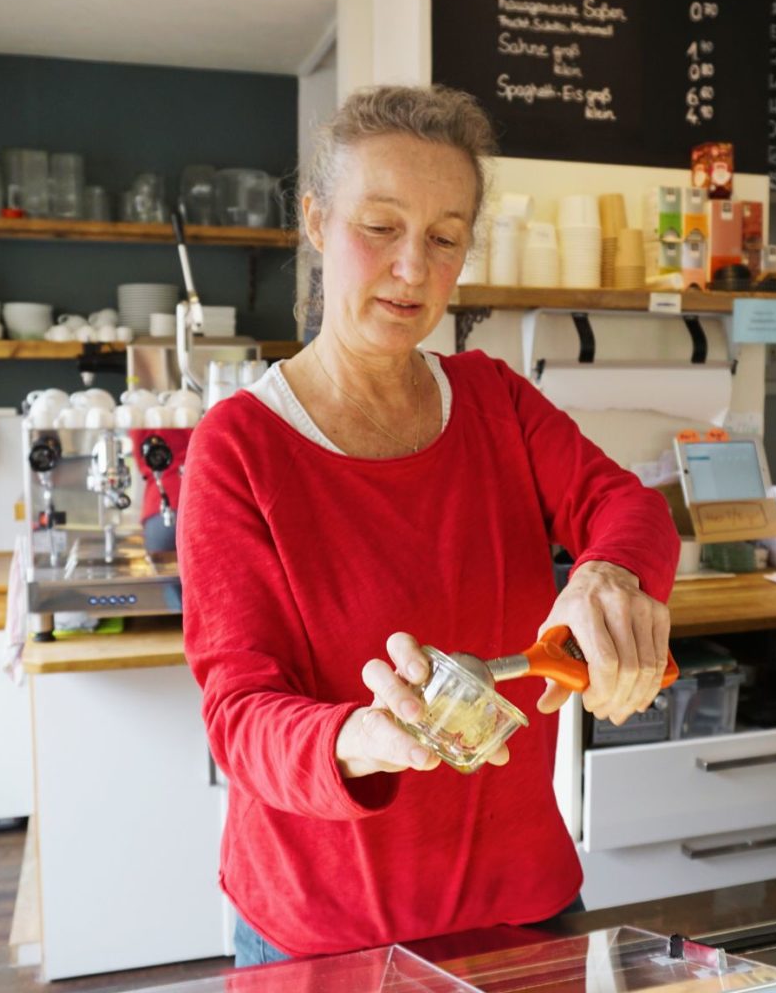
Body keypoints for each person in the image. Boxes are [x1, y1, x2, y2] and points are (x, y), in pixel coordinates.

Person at [179, 84, 679, 966]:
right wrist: (353, 739)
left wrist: (608, 575)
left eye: (445, 238)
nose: (413, 267)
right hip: (328, 934)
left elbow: (627, 507)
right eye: (380, 227)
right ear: (316, 221)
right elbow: (241, 712)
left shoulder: (496, 401)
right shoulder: (239, 448)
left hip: (524, 908)